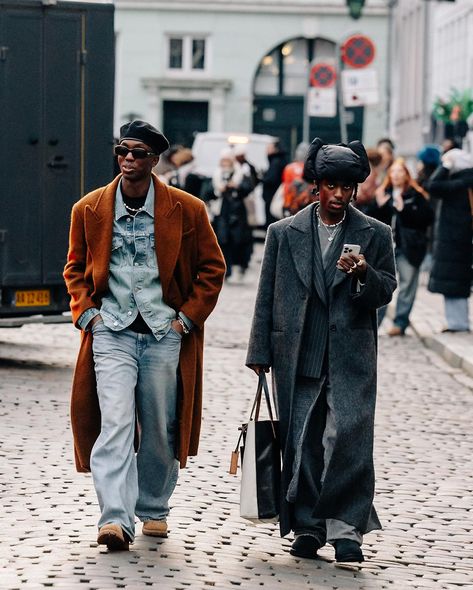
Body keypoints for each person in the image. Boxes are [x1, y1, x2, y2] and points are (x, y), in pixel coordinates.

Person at [63, 120, 226, 551]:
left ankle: (154, 507)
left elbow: (213, 268)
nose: (129, 159)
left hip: (163, 333)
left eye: (138, 153)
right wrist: (89, 318)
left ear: (155, 159)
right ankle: (115, 518)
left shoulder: (187, 209)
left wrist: (185, 320)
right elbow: (75, 270)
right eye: (122, 151)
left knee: (158, 424)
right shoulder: (89, 209)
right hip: (111, 333)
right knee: (114, 422)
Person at [246, 137, 397, 563]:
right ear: (317, 185)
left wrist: (365, 273)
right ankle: (309, 527)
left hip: (351, 356)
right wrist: (259, 352)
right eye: (331, 186)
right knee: (304, 443)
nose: (339, 195)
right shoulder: (283, 233)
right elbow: (267, 295)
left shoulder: (375, 233)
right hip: (299, 354)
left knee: (346, 439)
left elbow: (386, 289)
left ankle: (347, 528)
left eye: (347, 188)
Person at [374, 159, 434, 335]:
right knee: (382, 284)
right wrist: (381, 205)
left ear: (407, 175)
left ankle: (400, 323)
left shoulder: (416, 195)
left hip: (409, 247)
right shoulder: (383, 193)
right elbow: (373, 220)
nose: (396, 175)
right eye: (393, 172)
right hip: (386, 246)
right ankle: (375, 322)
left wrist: (403, 209)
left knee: (407, 285)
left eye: (400, 172)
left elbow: (427, 219)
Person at [425, 148, 473, 332]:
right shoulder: (464, 182)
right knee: (455, 282)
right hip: (459, 240)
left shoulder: (457, 183)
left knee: (453, 282)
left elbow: (433, 185)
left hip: (454, 240)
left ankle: (458, 323)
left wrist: (445, 166)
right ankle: (456, 321)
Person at [209, 149, 254, 279]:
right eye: (223, 160)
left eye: (228, 160)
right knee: (223, 240)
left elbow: (248, 187)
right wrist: (218, 190)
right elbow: (207, 191)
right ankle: (226, 269)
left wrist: (237, 187)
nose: (225, 163)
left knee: (238, 240)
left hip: (237, 212)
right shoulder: (216, 175)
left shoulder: (241, 174)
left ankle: (240, 265)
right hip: (221, 212)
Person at [262, 139, 288, 227]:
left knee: (271, 221)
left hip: (272, 196)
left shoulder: (276, 162)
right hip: (274, 196)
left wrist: (263, 178)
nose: (266, 150)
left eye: (269, 147)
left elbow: (271, 179)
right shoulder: (279, 160)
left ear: (275, 149)